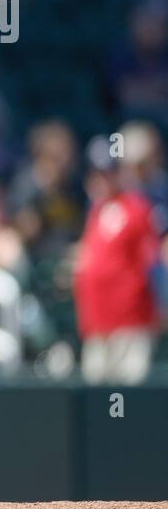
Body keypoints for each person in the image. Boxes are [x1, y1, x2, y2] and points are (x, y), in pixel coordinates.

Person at [72, 138, 160, 385]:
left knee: (128, 403)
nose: (100, 180)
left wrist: (161, 304)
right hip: (97, 324)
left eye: (107, 173)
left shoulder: (137, 209)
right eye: (95, 173)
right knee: (97, 407)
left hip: (129, 321)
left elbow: (152, 264)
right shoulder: (95, 212)